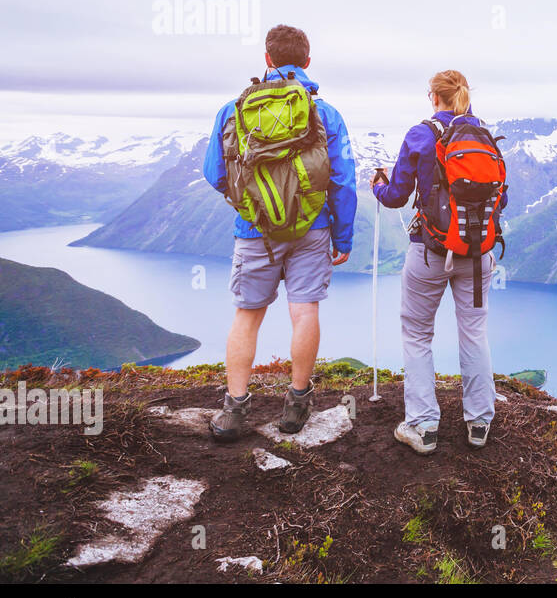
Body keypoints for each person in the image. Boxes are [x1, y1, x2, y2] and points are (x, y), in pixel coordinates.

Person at [201, 25, 357, 442]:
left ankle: (234, 411)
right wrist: (342, 238)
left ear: (267, 59)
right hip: (313, 228)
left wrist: (252, 204)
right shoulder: (325, 113)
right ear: (307, 62)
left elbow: (214, 173)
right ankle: (297, 403)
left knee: (247, 316)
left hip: (254, 232)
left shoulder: (233, 109)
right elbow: (342, 182)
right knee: (304, 311)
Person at [373, 69, 506, 454]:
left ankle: (423, 426)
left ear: (434, 97)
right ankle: (479, 422)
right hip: (479, 257)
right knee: (475, 332)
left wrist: (378, 186)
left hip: (429, 255)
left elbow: (397, 195)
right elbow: (501, 199)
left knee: (417, 334)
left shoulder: (421, 134)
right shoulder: (484, 136)